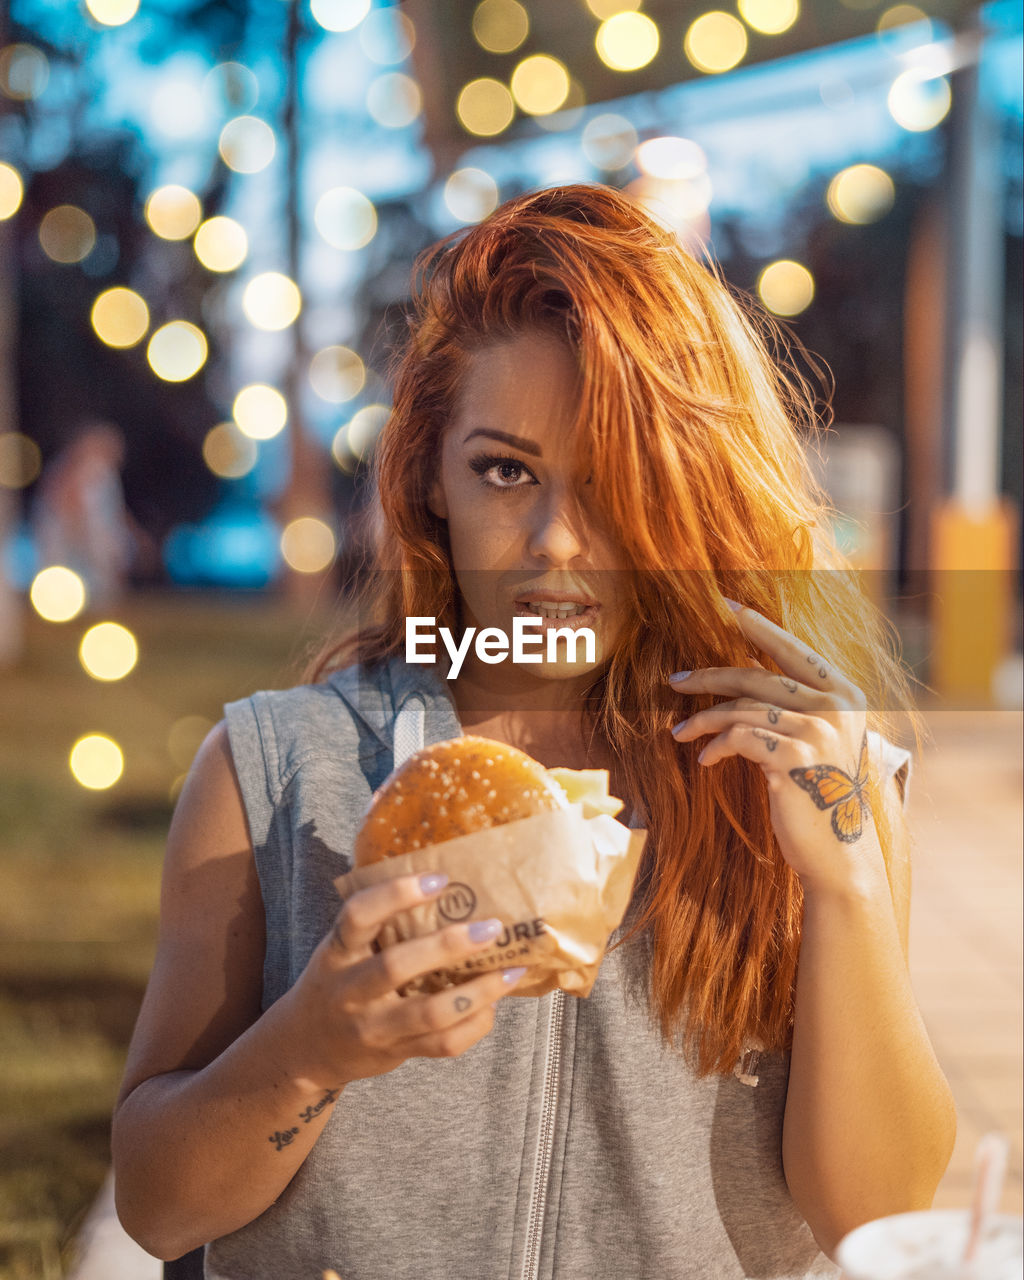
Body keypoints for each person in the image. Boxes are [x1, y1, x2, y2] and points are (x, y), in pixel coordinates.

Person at [111, 184, 956, 1280]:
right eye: (505, 470)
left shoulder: (814, 782)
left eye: (617, 483)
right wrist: (311, 1046)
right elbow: (158, 1207)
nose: (557, 540)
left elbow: (873, 1215)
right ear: (430, 476)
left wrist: (844, 883)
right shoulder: (272, 775)